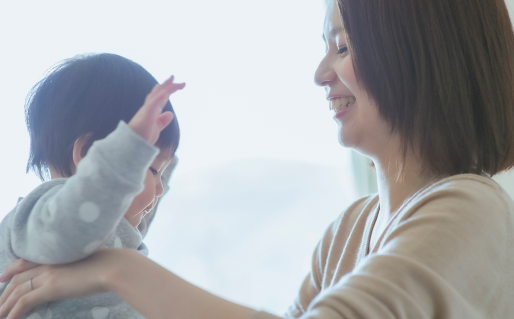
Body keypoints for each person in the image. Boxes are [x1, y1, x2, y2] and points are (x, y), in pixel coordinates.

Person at [1, 0, 514, 317]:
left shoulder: (471, 209)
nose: (320, 73)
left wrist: (119, 271)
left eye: (341, 46)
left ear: (418, 52)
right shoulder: (349, 231)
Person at [0, 53, 185, 318]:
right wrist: (130, 148)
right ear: (89, 154)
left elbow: (124, 208)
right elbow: (81, 221)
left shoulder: (108, 224)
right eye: (153, 170)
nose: (158, 189)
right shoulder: (43, 217)